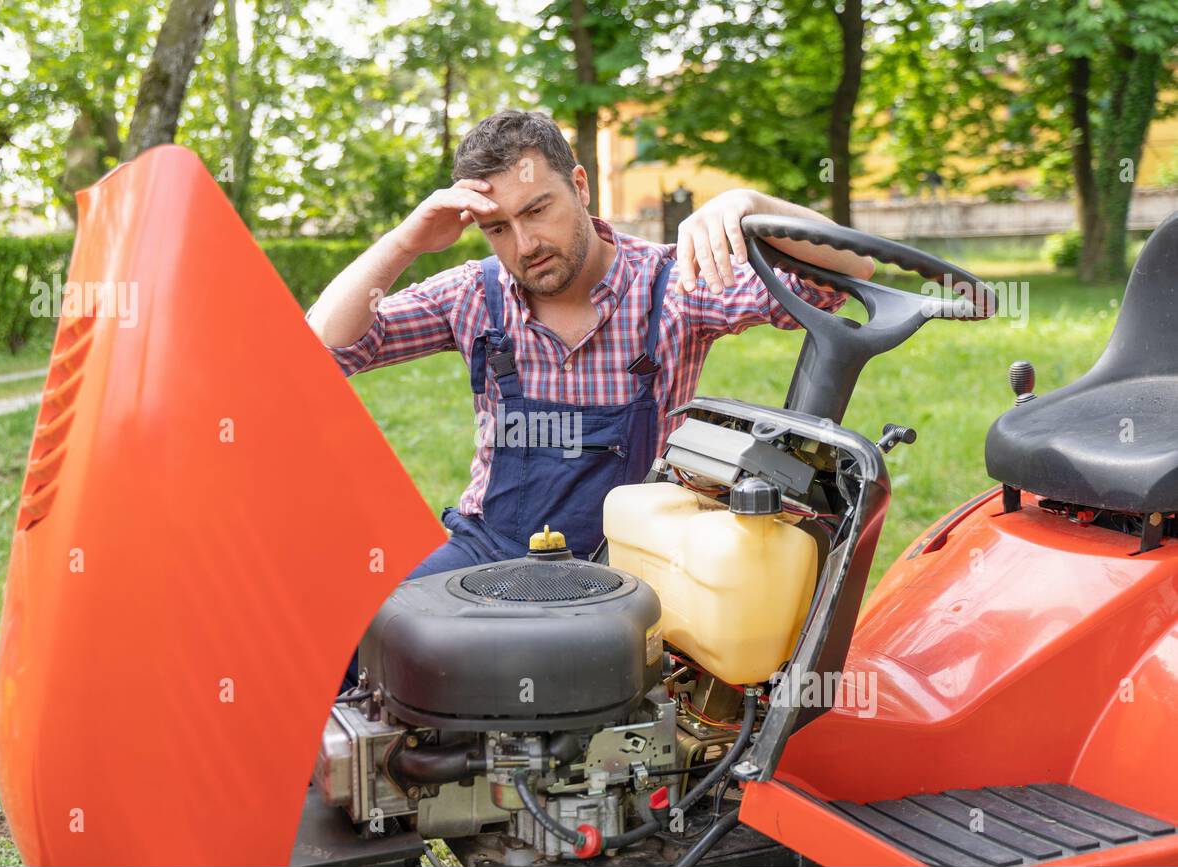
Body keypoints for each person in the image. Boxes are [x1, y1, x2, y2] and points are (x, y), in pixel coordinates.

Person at [305, 111, 872, 691]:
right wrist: (406, 241)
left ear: (580, 185)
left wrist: (751, 204)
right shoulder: (473, 294)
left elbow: (845, 275)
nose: (525, 245)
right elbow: (324, 349)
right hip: (492, 550)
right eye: (497, 227)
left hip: (633, 562)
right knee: (357, 646)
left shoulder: (673, 285)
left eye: (536, 210)